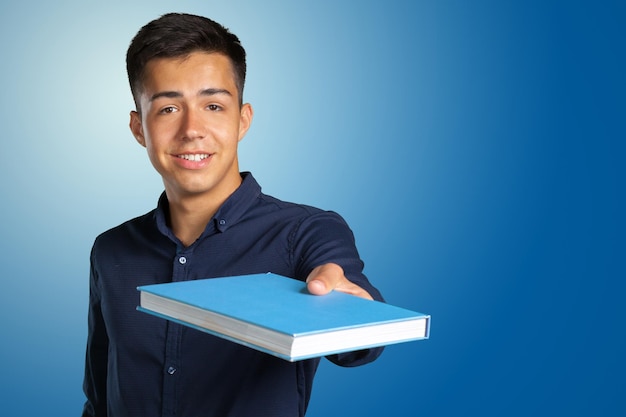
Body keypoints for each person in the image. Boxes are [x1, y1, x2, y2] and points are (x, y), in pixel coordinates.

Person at [82, 12, 384, 417]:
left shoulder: (304, 232)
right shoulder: (111, 250)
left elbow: (361, 342)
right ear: (139, 128)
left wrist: (349, 307)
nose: (192, 129)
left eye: (213, 105)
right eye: (168, 109)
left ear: (242, 120)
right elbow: (99, 397)